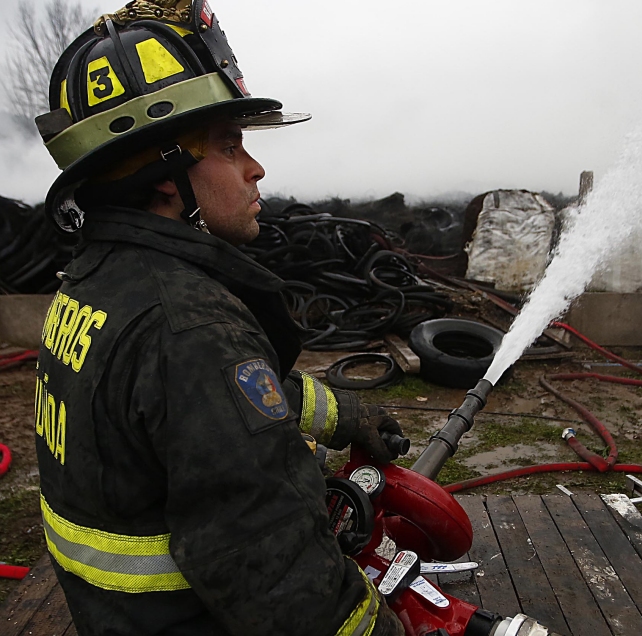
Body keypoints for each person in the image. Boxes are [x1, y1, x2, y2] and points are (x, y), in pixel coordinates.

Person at [32, 1, 405, 634]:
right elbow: (275, 572)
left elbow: (208, 403)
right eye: (230, 146)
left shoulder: (101, 280)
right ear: (165, 176)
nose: (255, 168)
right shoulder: (193, 326)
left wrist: (345, 413)